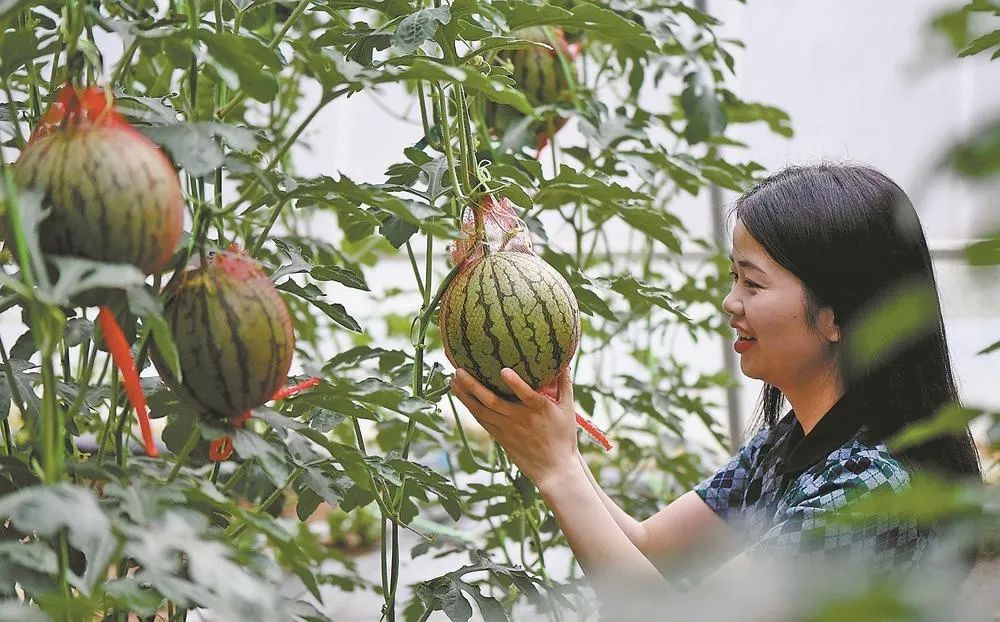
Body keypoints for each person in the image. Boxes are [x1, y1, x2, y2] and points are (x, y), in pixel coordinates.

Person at [448, 163, 983, 601]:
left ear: (837, 316)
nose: (731, 303)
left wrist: (558, 470)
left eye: (752, 282)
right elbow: (650, 545)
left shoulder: (868, 490)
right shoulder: (791, 441)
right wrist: (549, 445)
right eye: (735, 278)